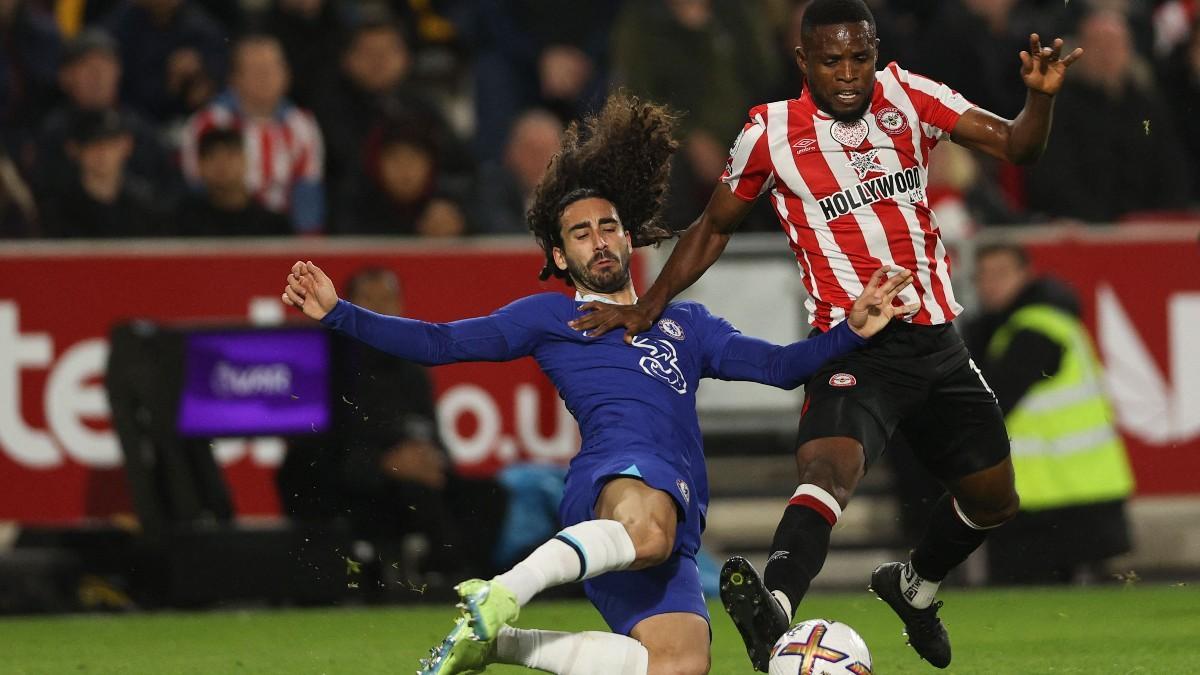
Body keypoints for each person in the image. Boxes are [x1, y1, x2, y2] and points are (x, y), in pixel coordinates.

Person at [281, 93, 914, 675]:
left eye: (607, 227)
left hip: (676, 509)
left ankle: (494, 644)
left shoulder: (687, 322)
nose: (598, 241)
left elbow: (779, 367)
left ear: (629, 234)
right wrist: (339, 312)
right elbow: (441, 343)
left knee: (679, 665)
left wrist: (852, 332)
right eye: (579, 234)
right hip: (618, 477)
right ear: (559, 257)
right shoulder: (552, 318)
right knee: (649, 530)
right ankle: (504, 593)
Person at [570, 0, 1084, 669]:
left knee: (994, 500)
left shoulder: (910, 95)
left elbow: (1020, 144)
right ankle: (775, 608)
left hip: (936, 341)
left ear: (875, 50)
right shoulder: (772, 133)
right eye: (831, 59)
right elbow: (713, 227)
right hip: (856, 344)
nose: (848, 73)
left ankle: (916, 586)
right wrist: (649, 304)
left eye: (859, 57)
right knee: (827, 468)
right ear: (802, 61)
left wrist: (1038, 101)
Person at [965, 243, 1134, 585]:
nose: (990, 284)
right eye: (982, 276)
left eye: (1001, 274)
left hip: (1058, 500)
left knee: (1027, 606)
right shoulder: (1027, 324)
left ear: (1026, 277)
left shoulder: (1036, 328)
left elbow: (991, 402)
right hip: (1079, 492)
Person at [180, 34, 325, 233]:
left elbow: (307, 193)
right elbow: (196, 189)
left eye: (273, 68)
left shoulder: (301, 125)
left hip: (280, 235)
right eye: (256, 71)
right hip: (219, 231)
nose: (266, 78)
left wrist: (304, 246)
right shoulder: (208, 124)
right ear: (234, 78)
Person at [174, 129, 291, 237]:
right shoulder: (182, 224)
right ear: (200, 166)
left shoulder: (274, 226)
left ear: (245, 161)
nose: (221, 164)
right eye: (211, 157)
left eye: (230, 155)